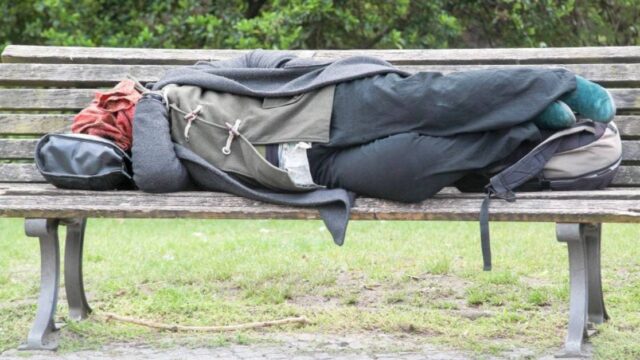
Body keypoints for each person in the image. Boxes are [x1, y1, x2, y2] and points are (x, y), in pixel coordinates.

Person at [131, 50, 615, 244]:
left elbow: (259, 60)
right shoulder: (152, 132)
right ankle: (528, 125)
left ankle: (557, 85)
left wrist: (304, 71)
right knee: (413, 171)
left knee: (432, 101)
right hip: (316, 171)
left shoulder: (178, 80)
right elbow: (157, 178)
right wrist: (145, 109)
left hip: (328, 101)